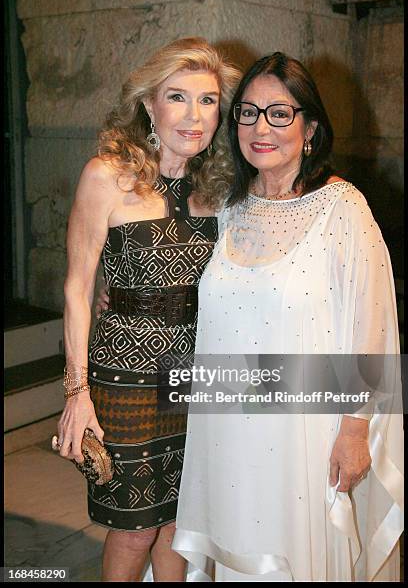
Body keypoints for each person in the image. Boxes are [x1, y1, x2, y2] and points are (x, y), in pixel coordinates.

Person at [169, 53, 404, 581]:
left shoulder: (343, 209)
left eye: (279, 113)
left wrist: (354, 430)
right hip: (228, 432)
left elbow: (374, 325)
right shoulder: (230, 207)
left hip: (306, 437)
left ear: (310, 127)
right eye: (248, 113)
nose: (260, 128)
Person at [58, 37, 241, 582]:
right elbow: (77, 287)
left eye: (208, 101)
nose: (194, 116)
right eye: (177, 97)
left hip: (196, 378)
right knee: (135, 526)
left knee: (180, 524)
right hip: (123, 381)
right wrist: (76, 392)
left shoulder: (222, 187)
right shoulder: (106, 176)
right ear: (147, 103)